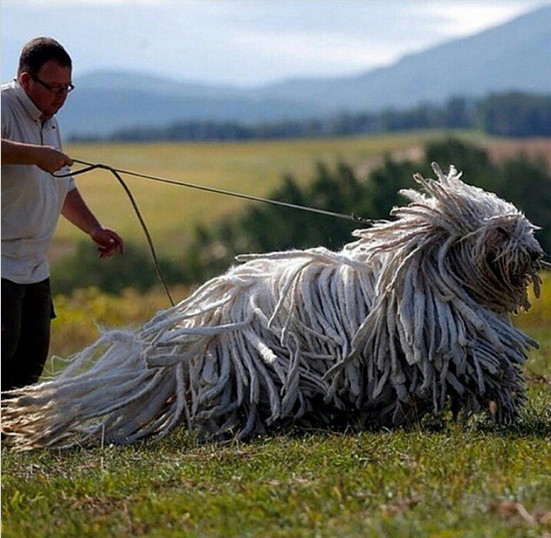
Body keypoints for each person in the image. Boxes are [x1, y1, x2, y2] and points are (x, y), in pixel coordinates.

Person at [1, 37, 124, 392]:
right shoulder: (4, 106)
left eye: (66, 87)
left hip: (34, 265)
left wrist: (94, 228)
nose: (61, 96)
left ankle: (6, 440)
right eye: (53, 87)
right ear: (26, 81)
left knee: (30, 362)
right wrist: (35, 154)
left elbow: (62, 186)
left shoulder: (49, 121)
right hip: (1, 263)